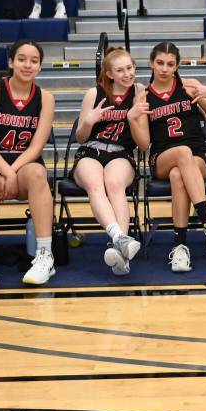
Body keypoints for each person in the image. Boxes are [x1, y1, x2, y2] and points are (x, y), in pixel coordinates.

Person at [0, 40, 56, 289]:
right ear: (10, 62)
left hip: (23, 162)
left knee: (39, 174)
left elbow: (37, 147)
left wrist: (14, 170)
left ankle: (44, 256)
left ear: (39, 66)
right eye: (22, 59)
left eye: (34, 61)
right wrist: (7, 172)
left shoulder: (46, 98)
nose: (27, 65)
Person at [145, 41, 206, 272]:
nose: (164, 68)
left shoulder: (189, 88)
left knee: (178, 174)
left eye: (170, 64)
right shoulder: (143, 97)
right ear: (151, 63)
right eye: (160, 63)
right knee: (182, 154)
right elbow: (142, 142)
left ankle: (180, 247)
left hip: (197, 156)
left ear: (177, 66)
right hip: (161, 155)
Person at [72, 47, 150, 276]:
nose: (127, 74)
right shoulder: (94, 93)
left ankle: (120, 252)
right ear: (109, 73)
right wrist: (89, 121)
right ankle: (121, 241)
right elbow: (80, 137)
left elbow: (144, 144)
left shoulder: (139, 92)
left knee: (115, 184)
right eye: (120, 70)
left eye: (130, 68)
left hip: (121, 151)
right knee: (95, 184)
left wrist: (133, 117)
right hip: (91, 150)